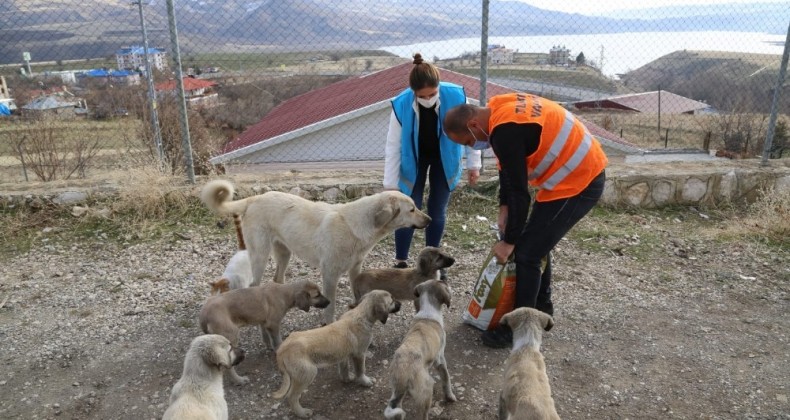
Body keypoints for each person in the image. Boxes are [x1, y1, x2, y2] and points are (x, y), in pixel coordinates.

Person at [443, 93, 608, 348]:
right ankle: (542, 307)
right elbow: (508, 172)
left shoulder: (505, 131)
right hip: (568, 175)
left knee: (528, 253)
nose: (471, 146)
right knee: (535, 241)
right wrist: (503, 207)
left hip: (580, 180)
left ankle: (520, 326)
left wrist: (509, 241)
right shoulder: (497, 109)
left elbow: (521, 192)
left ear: (474, 125)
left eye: (467, 140)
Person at [384, 53, 481, 279]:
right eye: (422, 96)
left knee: (437, 210)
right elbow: (393, 145)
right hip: (413, 160)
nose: (428, 99)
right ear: (413, 93)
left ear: (439, 87)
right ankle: (401, 263)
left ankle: (433, 264)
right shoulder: (401, 105)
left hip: (444, 158)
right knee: (408, 208)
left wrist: (473, 164)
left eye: (433, 94)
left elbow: (472, 130)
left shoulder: (457, 96)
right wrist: (390, 184)